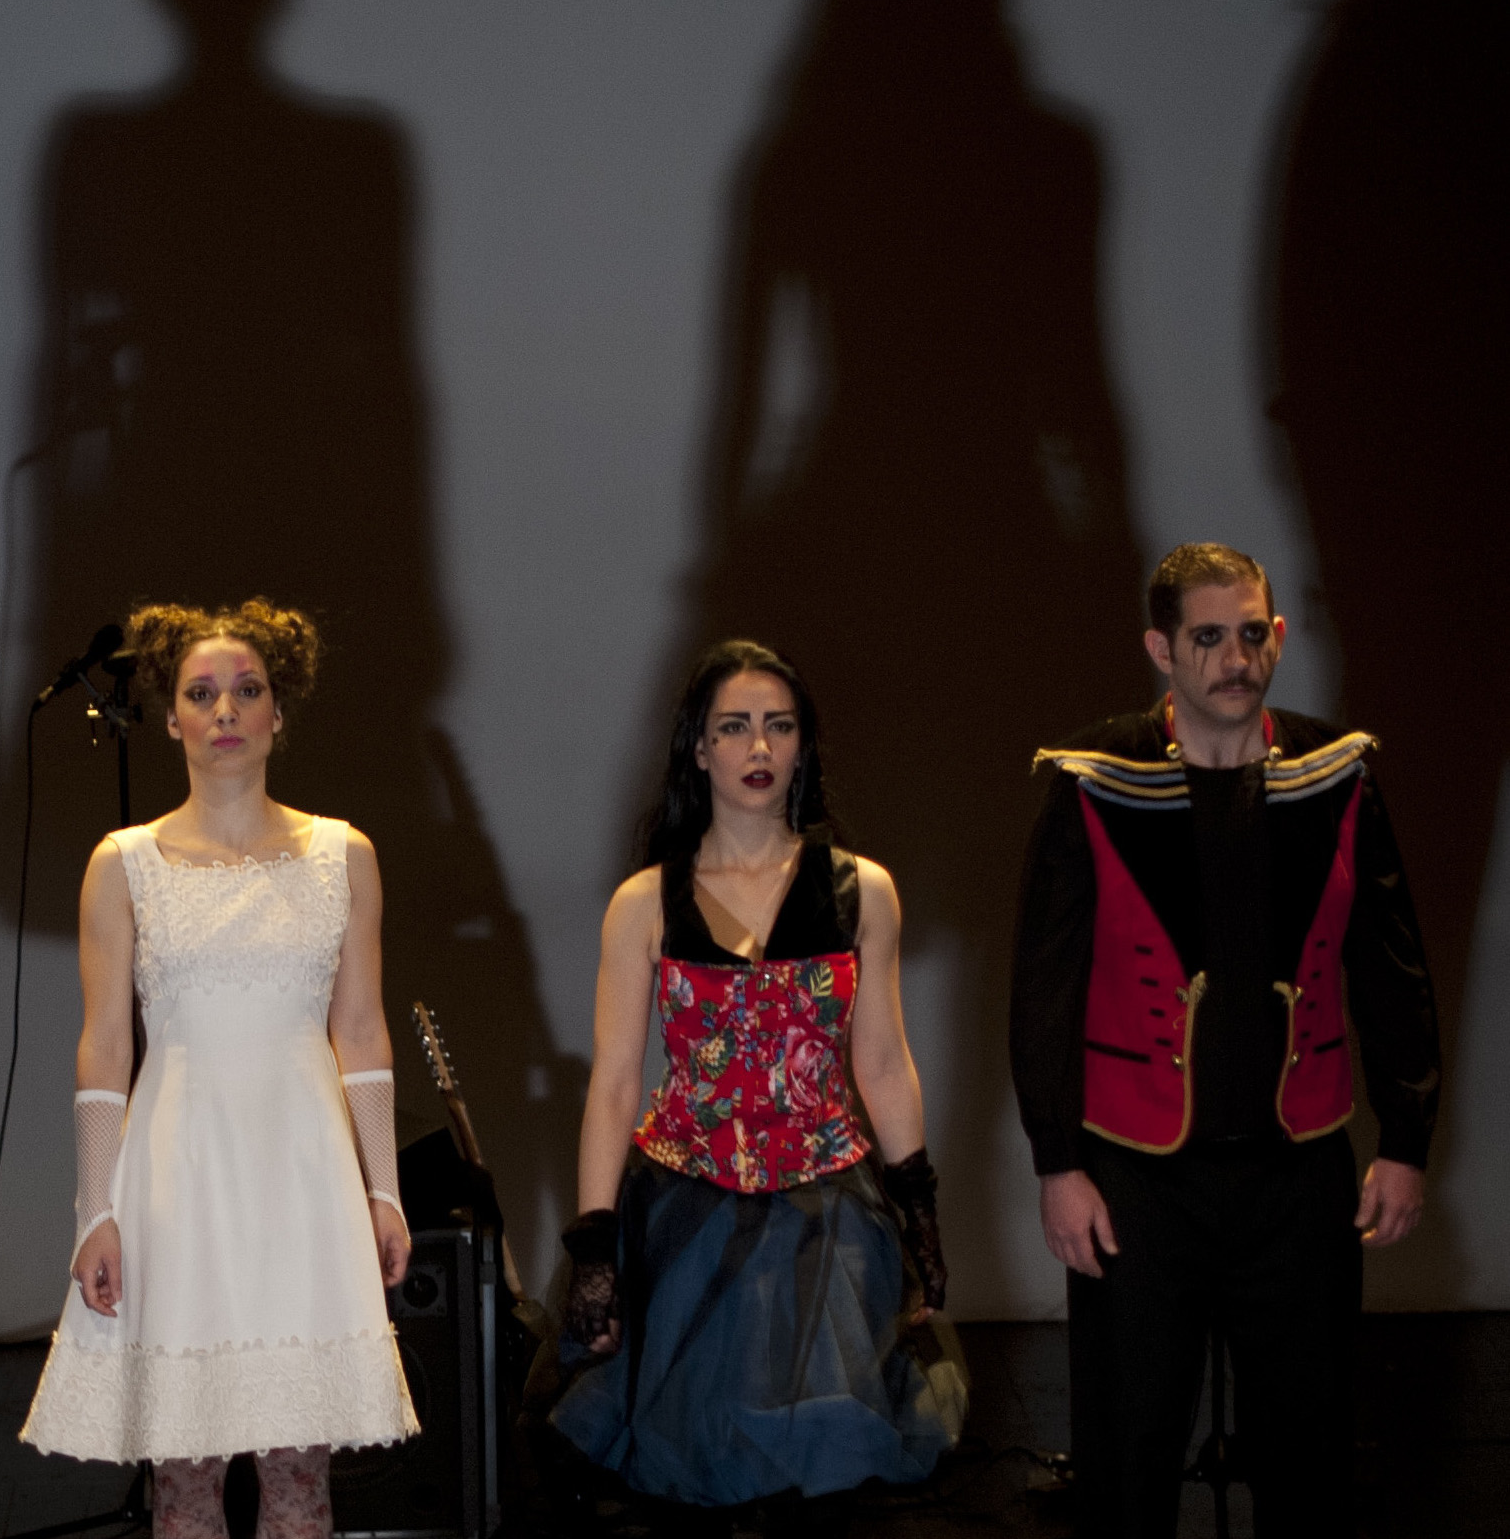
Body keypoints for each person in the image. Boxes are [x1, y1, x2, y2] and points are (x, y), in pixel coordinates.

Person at [1011, 542, 1442, 1537]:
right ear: (1161, 648)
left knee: (1309, 1451)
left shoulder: (1339, 775)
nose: (1235, 659)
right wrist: (1057, 1163)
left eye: (1252, 633)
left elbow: (1393, 967)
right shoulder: (1095, 780)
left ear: (1278, 635)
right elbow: (1044, 990)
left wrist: (1407, 1139)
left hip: (1299, 1172)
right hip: (1136, 1178)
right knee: (1129, 1454)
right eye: (1208, 637)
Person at [18, 599, 418, 1539]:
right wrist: (94, 1209)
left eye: (247, 690)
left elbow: (362, 1031)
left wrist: (384, 1191)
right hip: (180, 1179)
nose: (225, 709)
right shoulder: (124, 862)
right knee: (185, 1479)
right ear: (170, 719)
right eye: (202, 693)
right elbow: (104, 1044)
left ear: (278, 711)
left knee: (300, 1478)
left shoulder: (344, 854)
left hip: (304, 1180)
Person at [553, 640, 963, 1537]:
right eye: (734, 727)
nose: (759, 746)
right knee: (694, 1476)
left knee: (817, 1478)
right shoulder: (645, 902)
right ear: (699, 748)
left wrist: (919, 1205)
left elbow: (883, 1061)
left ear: (802, 744)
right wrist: (593, 1246)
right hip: (685, 1209)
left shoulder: (862, 890)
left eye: (779, 725)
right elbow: (615, 1082)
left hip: (827, 1211)